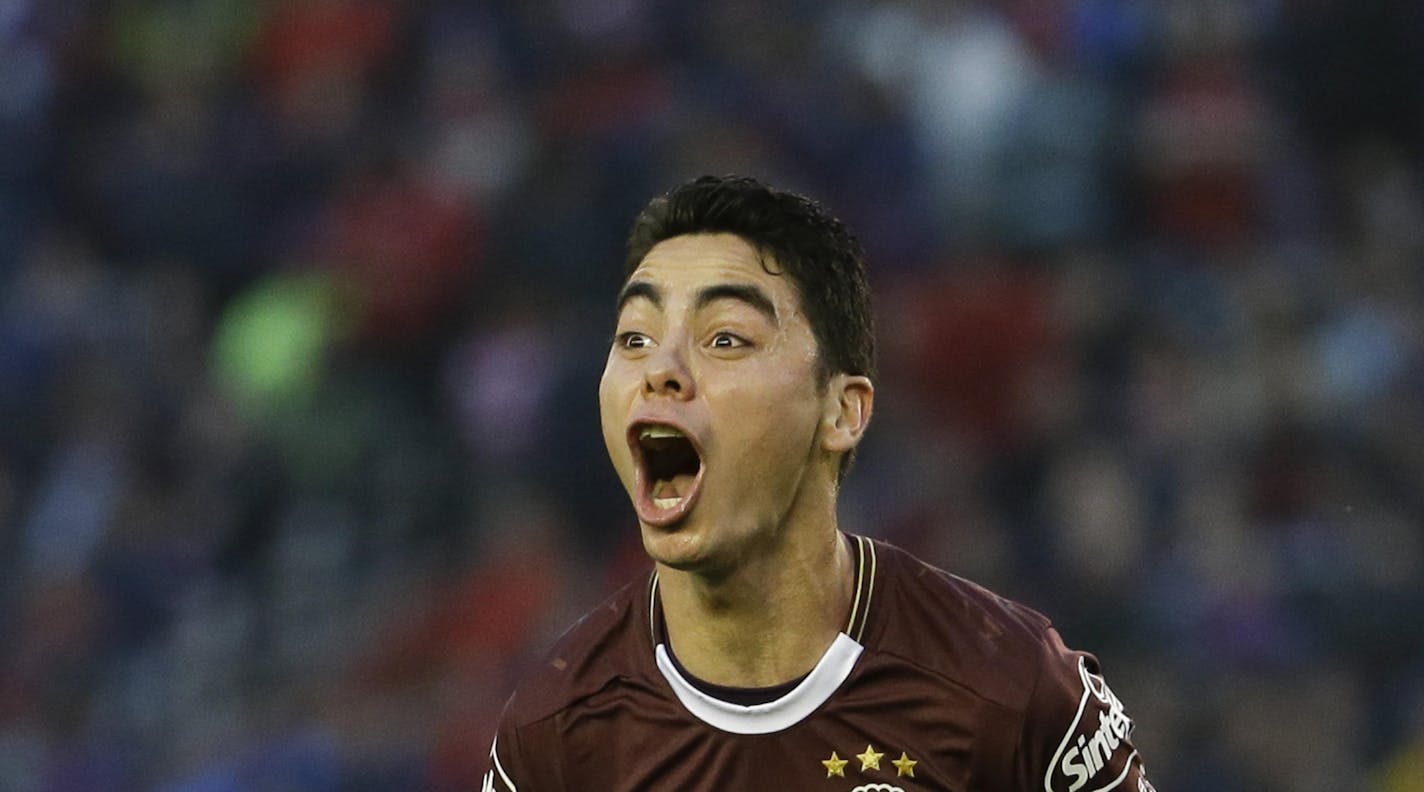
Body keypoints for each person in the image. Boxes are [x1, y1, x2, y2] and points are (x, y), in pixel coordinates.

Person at [483, 175, 1154, 791]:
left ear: (842, 411)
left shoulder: (1011, 687)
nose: (661, 369)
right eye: (634, 337)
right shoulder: (555, 736)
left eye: (725, 338)